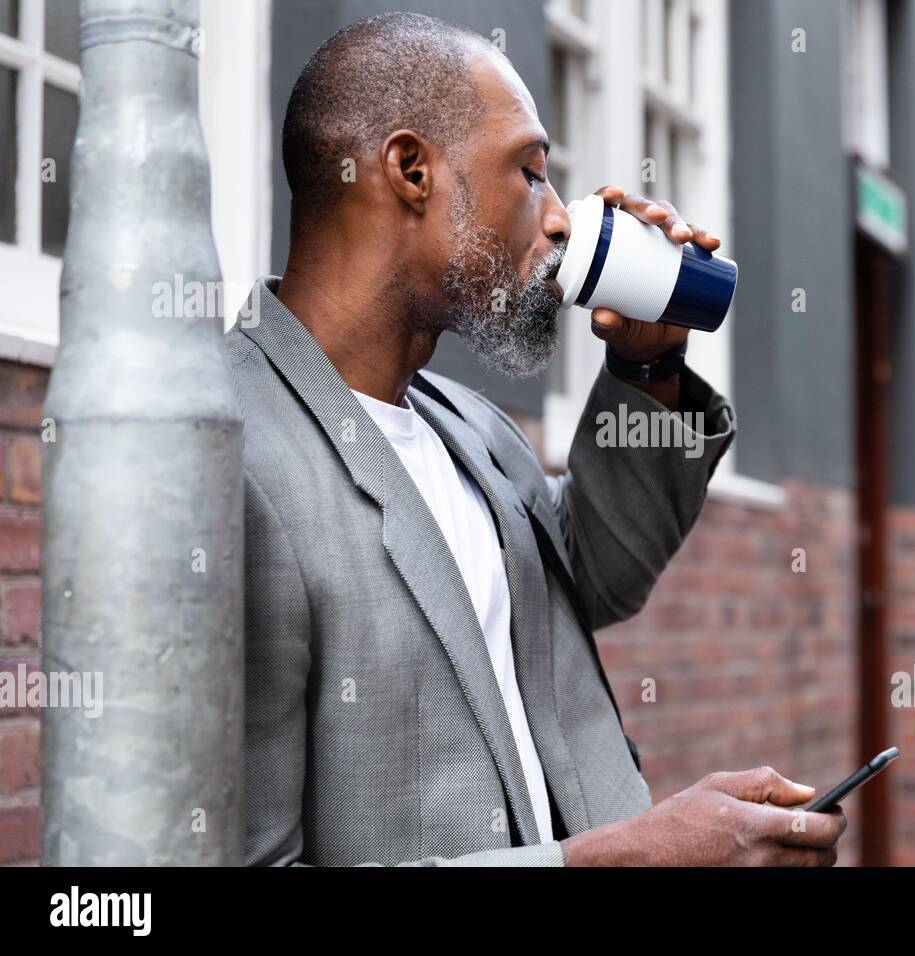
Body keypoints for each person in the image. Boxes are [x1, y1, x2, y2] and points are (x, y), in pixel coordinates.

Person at [231, 11, 846, 866]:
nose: (560, 219)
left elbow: (598, 577)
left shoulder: (467, 429)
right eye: (530, 172)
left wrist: (647, 367)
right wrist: (627, 858)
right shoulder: (227, 454)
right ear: (410, 170)